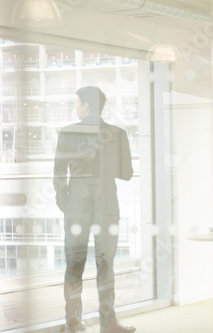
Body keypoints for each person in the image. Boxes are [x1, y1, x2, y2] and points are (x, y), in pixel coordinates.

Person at [53, 86, 136, 333]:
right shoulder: (117, 134)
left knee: (74, 264)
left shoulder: (68, 132)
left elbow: (58, 174)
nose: (75, 108)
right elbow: (127, 174)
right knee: (106, 264)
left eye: (77, 103)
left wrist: (66, 206)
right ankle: (108, 323)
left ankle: (73, 324)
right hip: (107, 203)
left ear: (86, 105)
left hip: (77, 204)